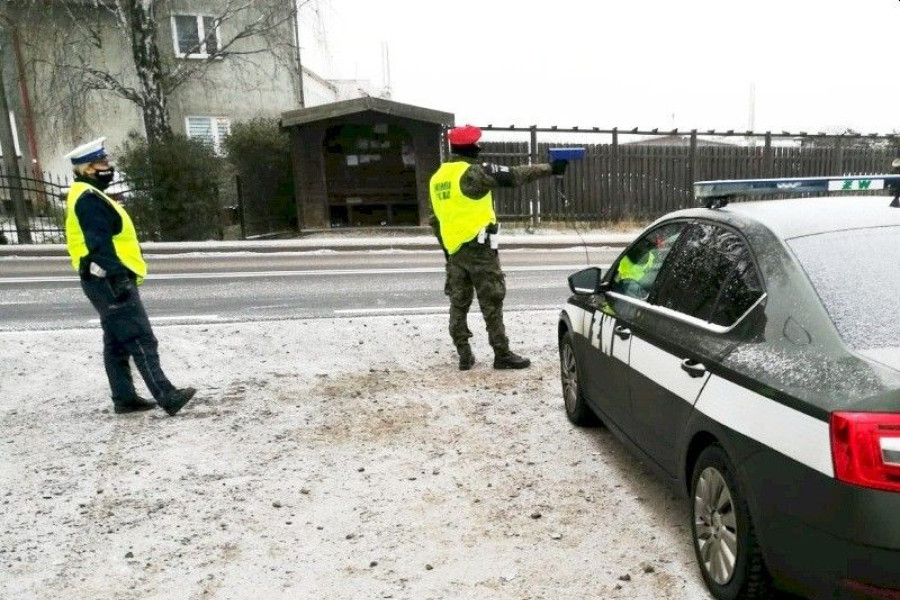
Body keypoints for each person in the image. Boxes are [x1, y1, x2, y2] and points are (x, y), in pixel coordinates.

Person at [64, 137, 196, 415]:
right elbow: (99, 244)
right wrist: (118, 279)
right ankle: (167, 396)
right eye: (102, 163)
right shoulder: (88, 199)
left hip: (100, 279)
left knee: (116, 343)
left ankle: (124, 399)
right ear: (88, 168)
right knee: (140, 338)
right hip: (108, 279)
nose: (108, 167)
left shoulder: (88, 194)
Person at [429, 125, 567, 370]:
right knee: (491, 302)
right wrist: (550, 168)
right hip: (479, 250)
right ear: (470, 147)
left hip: (454, 251)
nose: (480, 148)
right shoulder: (471, 173)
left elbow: (435, 220)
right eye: (477, 144)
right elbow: (514, 175)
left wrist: (447, 250)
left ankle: (464, 355)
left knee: (458, 304)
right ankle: (501, 354)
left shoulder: (438, 178)